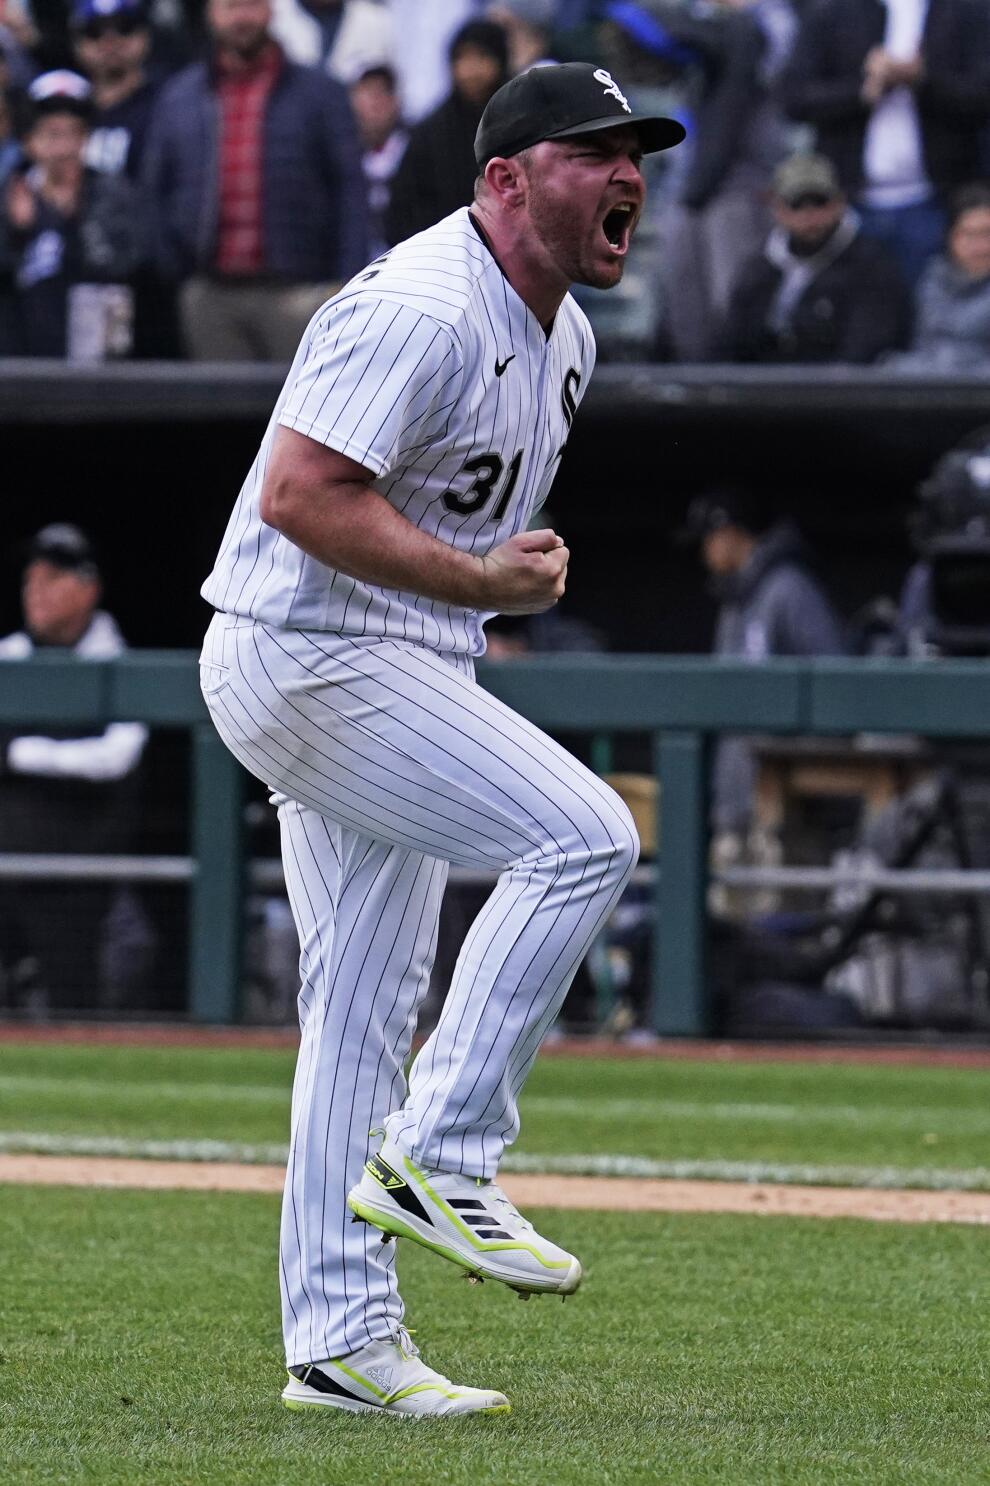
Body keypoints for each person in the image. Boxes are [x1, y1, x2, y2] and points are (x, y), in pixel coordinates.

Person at [199, 60, 683, 1417]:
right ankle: (444, 1152)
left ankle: (340, 1342)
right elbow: (297, 493)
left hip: (391, 654)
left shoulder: (569, 336)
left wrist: (470, 594)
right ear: (505, 178)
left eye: (636, 150)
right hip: (304, 649)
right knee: (584, 833)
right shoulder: (418, 302)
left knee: (360, 1001)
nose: (627, 171)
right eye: (594, 150)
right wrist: (480, 586)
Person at [141, 0, 368, 361]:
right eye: (230, 6)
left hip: (299, 293)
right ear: (210, 13)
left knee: (301, 413)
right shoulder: (179, 97)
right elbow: (154, 192)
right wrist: (176, 272)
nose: (241, 18)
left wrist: (348, 285)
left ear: (270, 10)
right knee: (219, 414)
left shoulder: (321, 93)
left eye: (250, 5)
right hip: (210, 295)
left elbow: (351, 194)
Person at [0, 524, 150, 1014]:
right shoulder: (10, 657)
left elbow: (116, 758)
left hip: (79, 876)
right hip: (8, 866)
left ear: (88, 589)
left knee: (74, 1006)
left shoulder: (118, 661)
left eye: (52, 579)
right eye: (30, 579)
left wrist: (18, 754)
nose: (35, 591)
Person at [608, 0, 796, 361]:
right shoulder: (713, 27)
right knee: (686, 311)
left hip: (739, 182)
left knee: (733, 307)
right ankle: (693, 404)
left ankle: (743, 404)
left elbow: (736, 59)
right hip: (694, 184)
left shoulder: (763, 24)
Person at [781, 0, 990, 290]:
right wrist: (863, 90)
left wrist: (922, 80)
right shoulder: (833, 11)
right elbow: (793, 98)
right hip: (850, 204)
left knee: (932, 318)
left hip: (937, 202)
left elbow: (981, 95)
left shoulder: (964, 10)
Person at [682, 486, 845, 839]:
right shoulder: (734, 599)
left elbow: (837, 687)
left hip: (786, 809)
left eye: (708, 539)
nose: (704, 551)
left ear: (728, 532)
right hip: (736, 796)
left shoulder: (789, 589)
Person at [0, 68, 146, 357]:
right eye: (52, 134)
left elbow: (131, 267)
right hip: (25, 362)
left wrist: (75, 220)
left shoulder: (114, 193)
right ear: (30, 142)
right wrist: (18, 232)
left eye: (74, 134)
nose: (64, 148)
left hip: (101, 361)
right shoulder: (12, 193)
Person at [718, 152, 909, 363]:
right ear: (777, 209)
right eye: (797, 203)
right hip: (763, 388)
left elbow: (867, 349)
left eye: (819, 202)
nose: (809, 214)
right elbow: (728, 345)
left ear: (840, 202)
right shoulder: (759, 268)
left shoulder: (871, 266)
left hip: (839, 390)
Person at [383, 19, 509, 245]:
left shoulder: (520, 123)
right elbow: (403, 209)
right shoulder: (430, 133)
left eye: (481, 57)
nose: (471, 70)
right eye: (462, 58)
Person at [886, 182, 990, 373]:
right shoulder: (933, 277)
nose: (980, 246)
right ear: (951, 237)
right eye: (969, 234)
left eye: (987, 234)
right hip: (930, 385)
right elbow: (923, 344)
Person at [348, 61, 406, 260]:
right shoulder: (340, 154)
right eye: (366, 93)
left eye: (383, 92)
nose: (375, 102)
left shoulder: (415, 150)